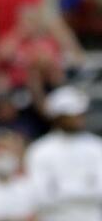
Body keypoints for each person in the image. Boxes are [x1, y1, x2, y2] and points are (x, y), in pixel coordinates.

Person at [24, 85, 102, 221]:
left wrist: (61, 191)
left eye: (80, 114)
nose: (78, 119)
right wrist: (84, 189)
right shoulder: (40, 150)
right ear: (57, 117)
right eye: (71, 115)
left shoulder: (96, 146)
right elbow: (40, 196)